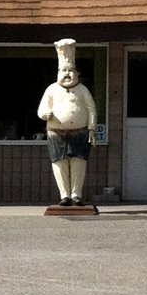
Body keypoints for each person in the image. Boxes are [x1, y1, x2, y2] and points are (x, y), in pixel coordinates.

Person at [37, 38, 99, 206]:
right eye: (64, 70)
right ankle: (64, 195)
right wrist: (45, 114)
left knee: (79, 164)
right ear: (58, 72)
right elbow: (41, 109)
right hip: (56, 134)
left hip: (80, 133)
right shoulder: (51, 89)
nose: (67, 74)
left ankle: (76, 194)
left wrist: (92, 129)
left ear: (77, 73)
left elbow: (91, 109)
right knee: (60, 164)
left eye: (71, 70)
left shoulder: (82, 90)